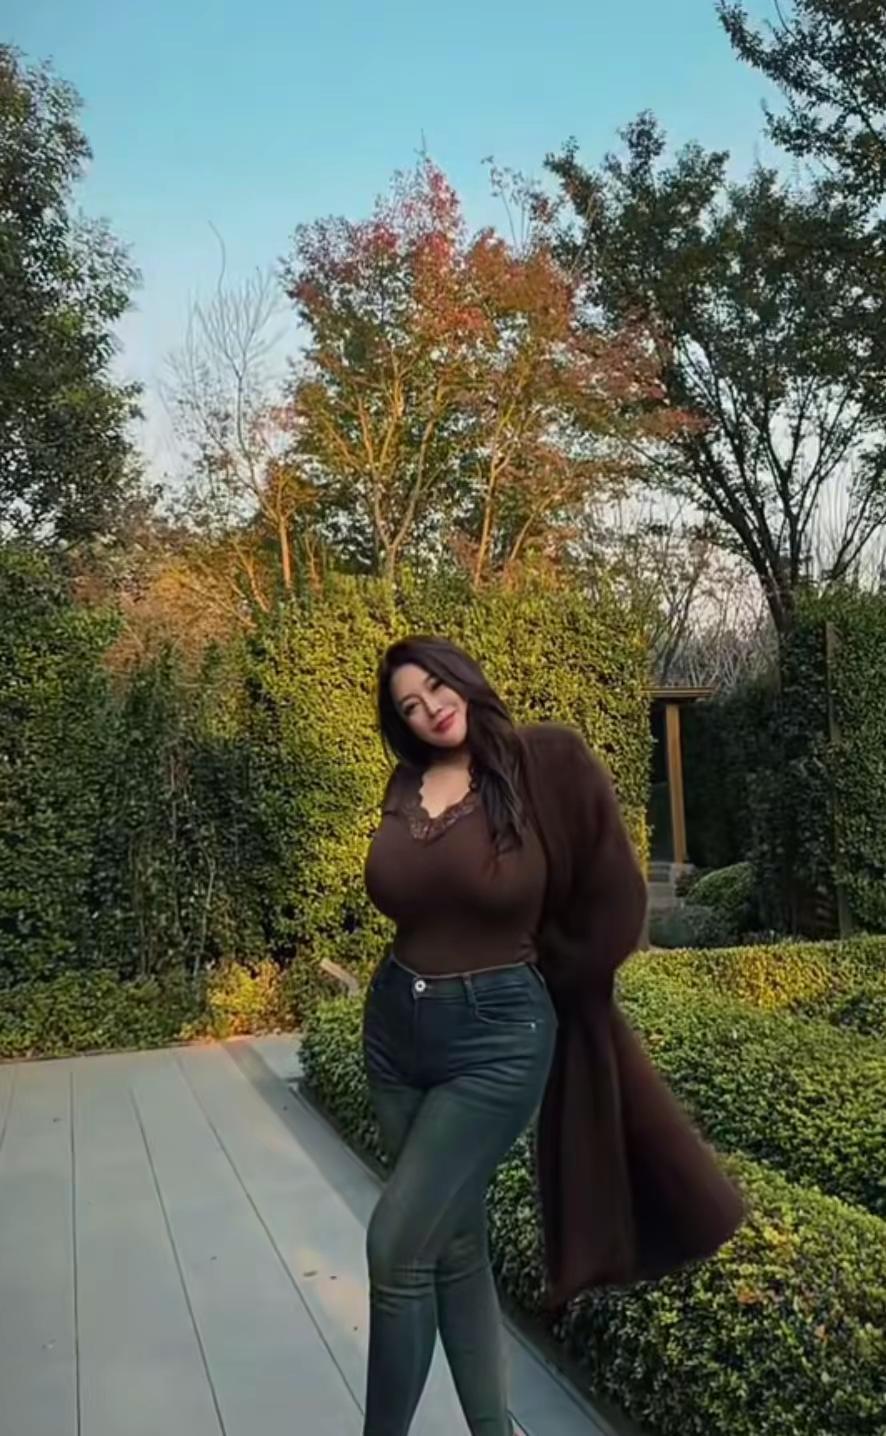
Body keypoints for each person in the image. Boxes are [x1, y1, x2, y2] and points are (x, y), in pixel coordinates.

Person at [362, 635, 744, 1436]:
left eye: (436, 686)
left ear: (462, 676)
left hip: (496, 1040)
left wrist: (554, 977)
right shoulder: (405, 785)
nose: (431, 709)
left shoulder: (543, 763)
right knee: (453, 1243)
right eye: (409, 706)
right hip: (395, 1030)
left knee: (396, 1247)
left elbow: (615, 896)